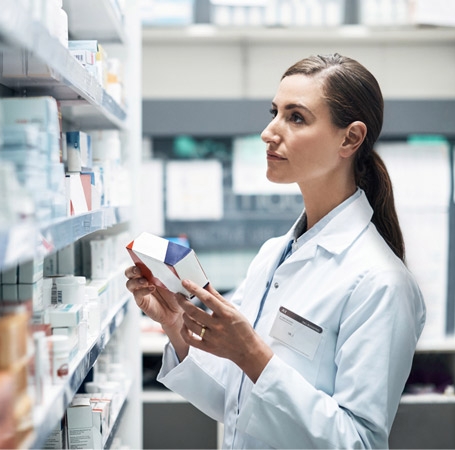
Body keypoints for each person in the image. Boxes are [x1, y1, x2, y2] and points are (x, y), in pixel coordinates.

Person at [125, 53, 426, 449]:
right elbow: (233, 402)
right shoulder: (274, 255)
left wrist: (251, 354)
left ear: (349, 138)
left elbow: (360, 442)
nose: (269, 131)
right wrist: (177, 324)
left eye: (296, 117)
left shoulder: (380, 282)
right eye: (275, 112)